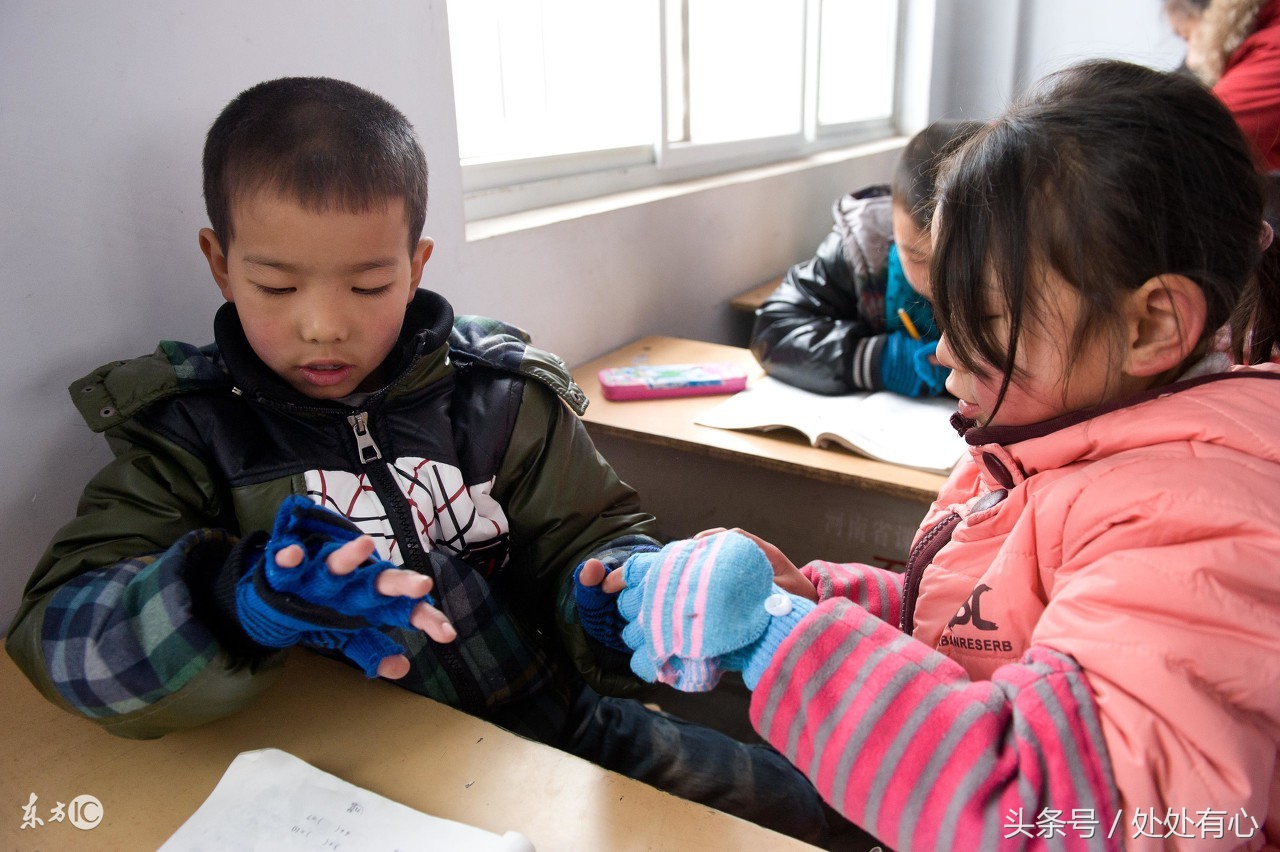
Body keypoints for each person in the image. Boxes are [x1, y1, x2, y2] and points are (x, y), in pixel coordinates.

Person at [4, 76, 832, 846]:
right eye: (278, 287)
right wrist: (235, 600)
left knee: (808, 811)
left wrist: (620, 596)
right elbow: (58, 637)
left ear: (415, 267)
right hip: (359, 785)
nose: (324, 325)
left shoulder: (502, 399)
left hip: (566, 725)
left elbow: (591, 538)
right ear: (220, 262)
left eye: (367, 286)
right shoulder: (189, 437)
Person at [581, 59, 1280, 849]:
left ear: (1152, 325)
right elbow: (990, 630)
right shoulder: (1064, 434)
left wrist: (781, 637)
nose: (945, 351)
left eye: (983, 318)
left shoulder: (1198, 527)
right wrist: (811, 600)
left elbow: (1047, 811)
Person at [749, 120, 981, 397]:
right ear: (891, 224)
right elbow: (773, 331)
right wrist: (879, 360)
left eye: (955, 263)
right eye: (918, 257)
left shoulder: (1017, 265)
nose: (938, 282)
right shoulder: (862, 248)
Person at [1164, 0, 1280, 170]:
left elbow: (1191, 141)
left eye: (1187, 38)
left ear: (1210, 16)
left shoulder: (1272, 51)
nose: (1190, 60)